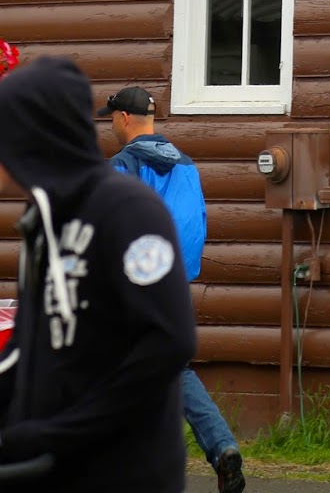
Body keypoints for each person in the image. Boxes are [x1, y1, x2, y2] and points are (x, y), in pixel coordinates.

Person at [0, 56, 195, 492]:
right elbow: (29, 341)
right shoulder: (42, 222)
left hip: (125, 472)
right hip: (52, 468)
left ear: (36, 135)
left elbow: (169, 342)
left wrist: (62, 432)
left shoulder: (127, 210)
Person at [99, 86, 246, 493]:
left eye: (111, 117)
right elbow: (196, 221)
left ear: (125, 119)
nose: (110, 124)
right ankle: (222, 447)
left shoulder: (123, 164)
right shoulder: (185, 164)